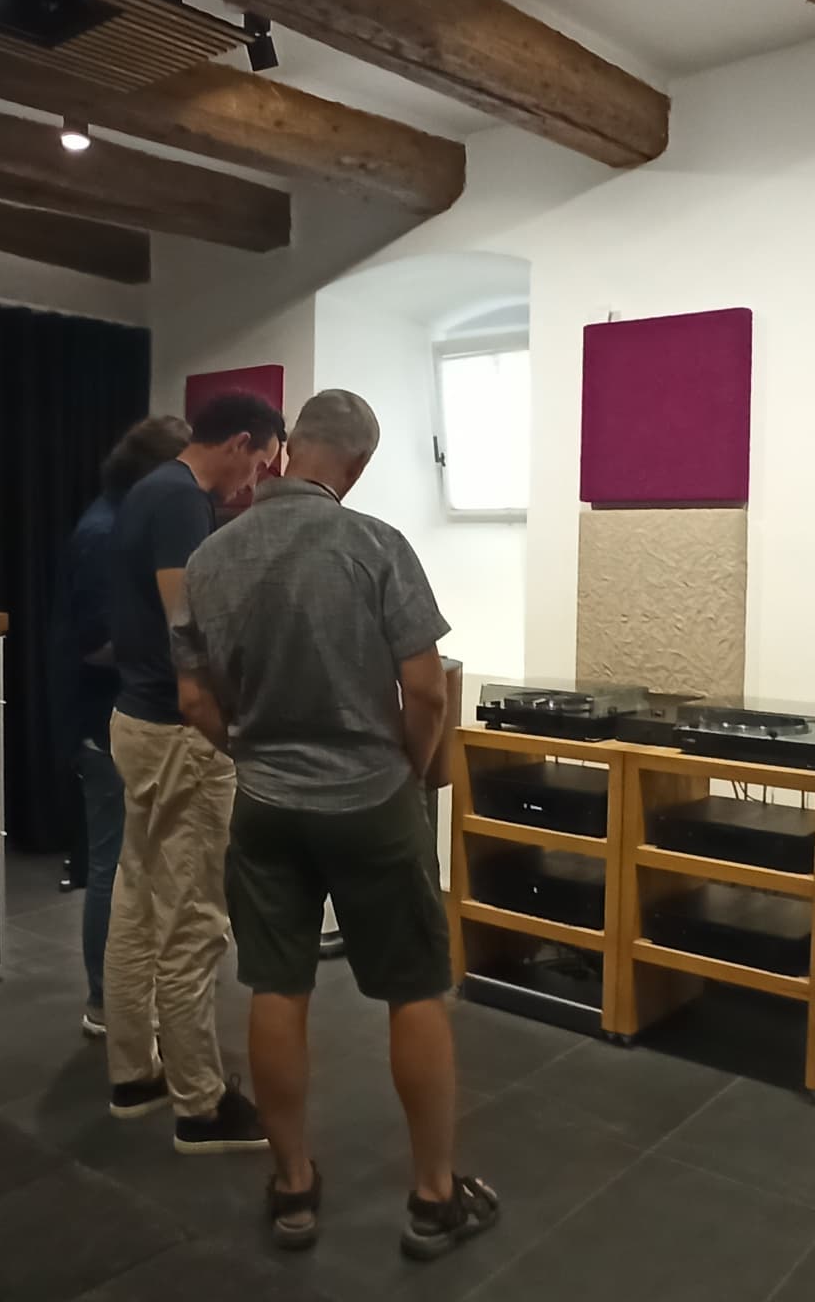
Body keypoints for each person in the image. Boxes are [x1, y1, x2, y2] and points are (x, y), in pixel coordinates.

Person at [173, 390, 499, 1257]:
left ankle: (292, 1186)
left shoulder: (208, 557)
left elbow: (195, 699)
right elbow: (425, 690)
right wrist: (410, 766)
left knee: (276, 987)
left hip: (266, 806)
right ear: (355, 466)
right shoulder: (376, 545)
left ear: (288, 451)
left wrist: (250, 752)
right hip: (370, 800)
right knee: (413, 990)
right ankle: (434, 1197)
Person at [103, 390, 286, 1154]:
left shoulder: (150, 491)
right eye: (262, 461)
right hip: (181, 735)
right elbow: (191, 627)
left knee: (138, 903)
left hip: (136, 721)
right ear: (240, 442)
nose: (257, 478)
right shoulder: (182, 500)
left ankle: (134, 1072)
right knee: (196, 918)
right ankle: (200, 1104)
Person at [60, 415, 190, 1039]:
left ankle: (127, 997)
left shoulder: (122, 523)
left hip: (127, 714)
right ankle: (106, 1003)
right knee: (115, 866)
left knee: (137, 866)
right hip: (106, 717)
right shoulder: (104, 533)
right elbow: (93, 643)